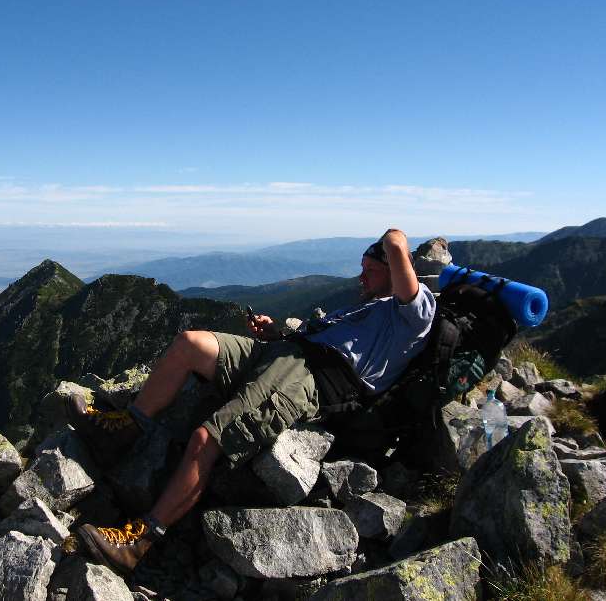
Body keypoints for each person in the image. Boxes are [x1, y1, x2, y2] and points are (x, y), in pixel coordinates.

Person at [68, 228, 436, 574]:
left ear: (396, 271)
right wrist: (276, 333)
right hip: (281, 353)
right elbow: (316, 339)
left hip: (305, 380)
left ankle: (141, 539)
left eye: (370, 270)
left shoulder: (411, 316)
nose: (361, 277)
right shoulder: (361, 307)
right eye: (361, 269)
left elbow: (396, 242)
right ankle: (126, 428)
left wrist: (392, 243)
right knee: (188, 344)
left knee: (207, 438)